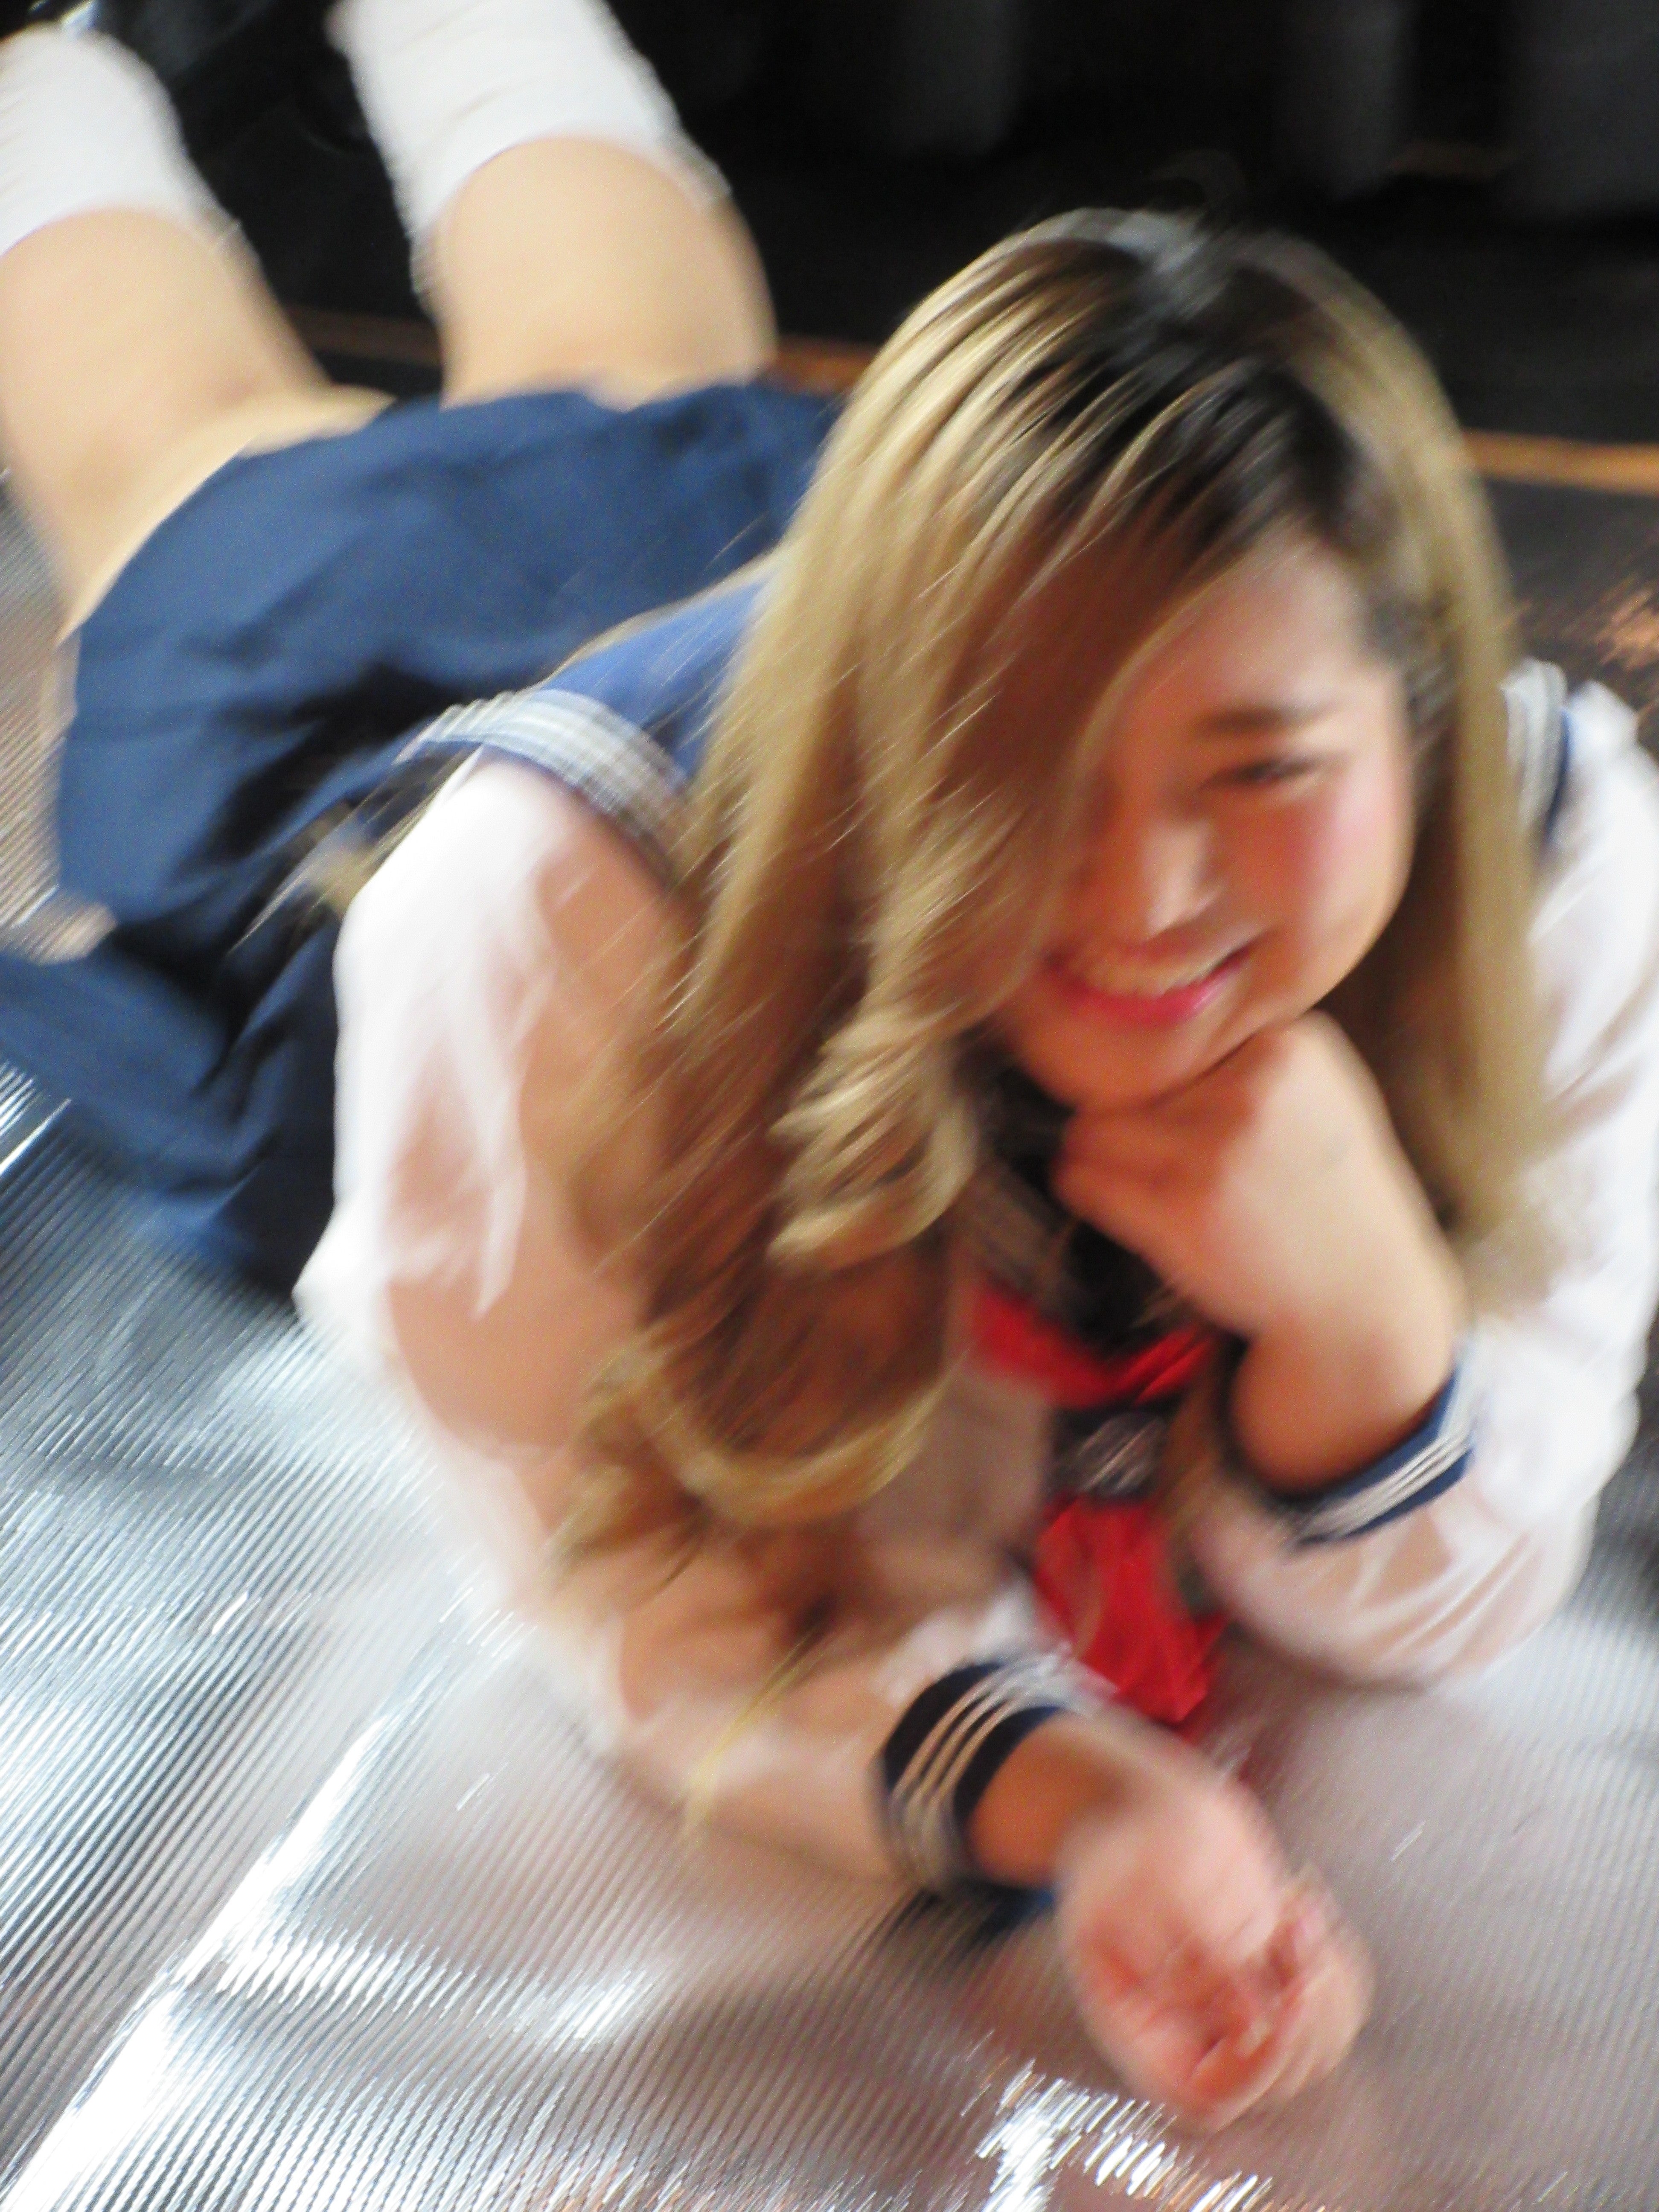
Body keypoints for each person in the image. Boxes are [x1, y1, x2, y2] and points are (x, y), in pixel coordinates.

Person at [1, 0, 1656, 2133]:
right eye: (1030, 778)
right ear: (905, 713)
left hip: (805, 568)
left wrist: (1366, 1325)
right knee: (195, 444)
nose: (1143, 902)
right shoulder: (530, 911)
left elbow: (1481, 1552)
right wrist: (1066, 1790)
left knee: (634, 367)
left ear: (1413, 720)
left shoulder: (1550, 848)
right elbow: (621, 1566)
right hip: (371, 735)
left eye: (1263, 774)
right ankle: (44, 71)